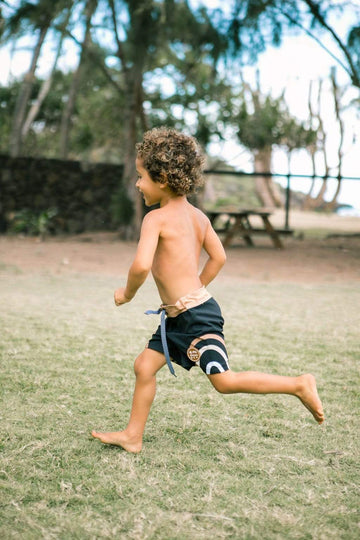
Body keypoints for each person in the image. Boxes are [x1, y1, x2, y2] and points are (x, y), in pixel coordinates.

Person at [92, 127, 324, 453]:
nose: (137, 183)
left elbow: (142, 266)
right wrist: (195, 288)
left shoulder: (155, 220)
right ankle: (133, 435)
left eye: (141, 176)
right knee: (144, 366)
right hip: (183, 313)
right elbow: (219, 257)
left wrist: (127, 293)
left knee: (224, 381)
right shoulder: (198, 217)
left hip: (196, 317)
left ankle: (298, 384)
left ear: (162, 180)